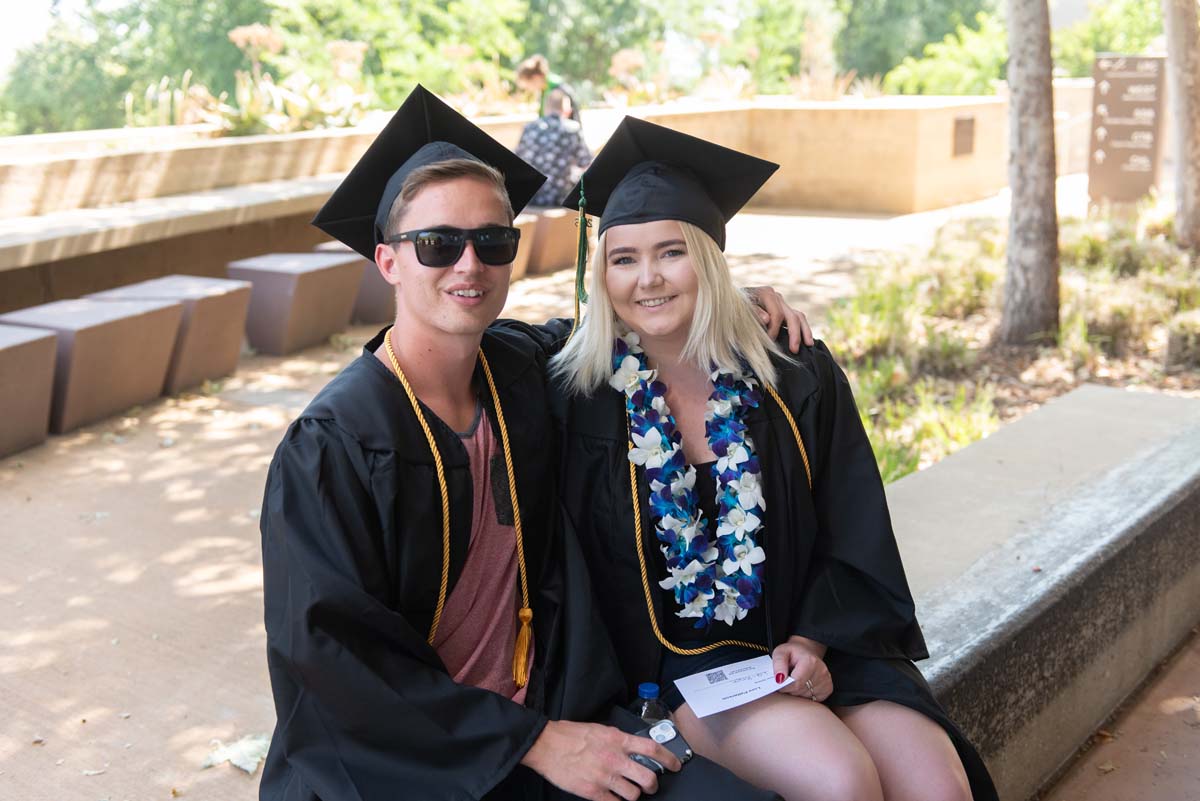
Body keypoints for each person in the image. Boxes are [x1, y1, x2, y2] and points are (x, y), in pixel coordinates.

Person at [258, 86, 802, 801]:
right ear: (388, 262)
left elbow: (624, 324)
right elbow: (335, 668)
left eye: (494, 241)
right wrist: (533, 741)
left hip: (552, 717)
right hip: (412, 764)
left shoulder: (517, 372)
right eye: (437, 244)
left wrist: (737, 295)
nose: (469, 264)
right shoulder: (334, 446)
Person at [533, 117, 1000, 801]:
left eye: (672, 252)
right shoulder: (580, 392)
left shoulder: (790, 372)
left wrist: (812, 641)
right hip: (692, 669)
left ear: (711, 258)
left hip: (821, 637)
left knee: (939, 789)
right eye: (623, 258)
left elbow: (853, 517)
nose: (648, 278)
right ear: (600, 273)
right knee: (842, 781)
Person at [515, 87, 593, 209]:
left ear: (546, 108)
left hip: (532, 196)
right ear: (566, 110)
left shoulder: (529, 128)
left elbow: (518, 159)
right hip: (560, 197)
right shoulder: (572, 129)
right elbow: (587, 162)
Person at [516, 54, 580, 124]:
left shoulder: (558, 90)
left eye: (527, 87)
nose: (529, 90)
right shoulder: (544, 91)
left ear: (535, 78)